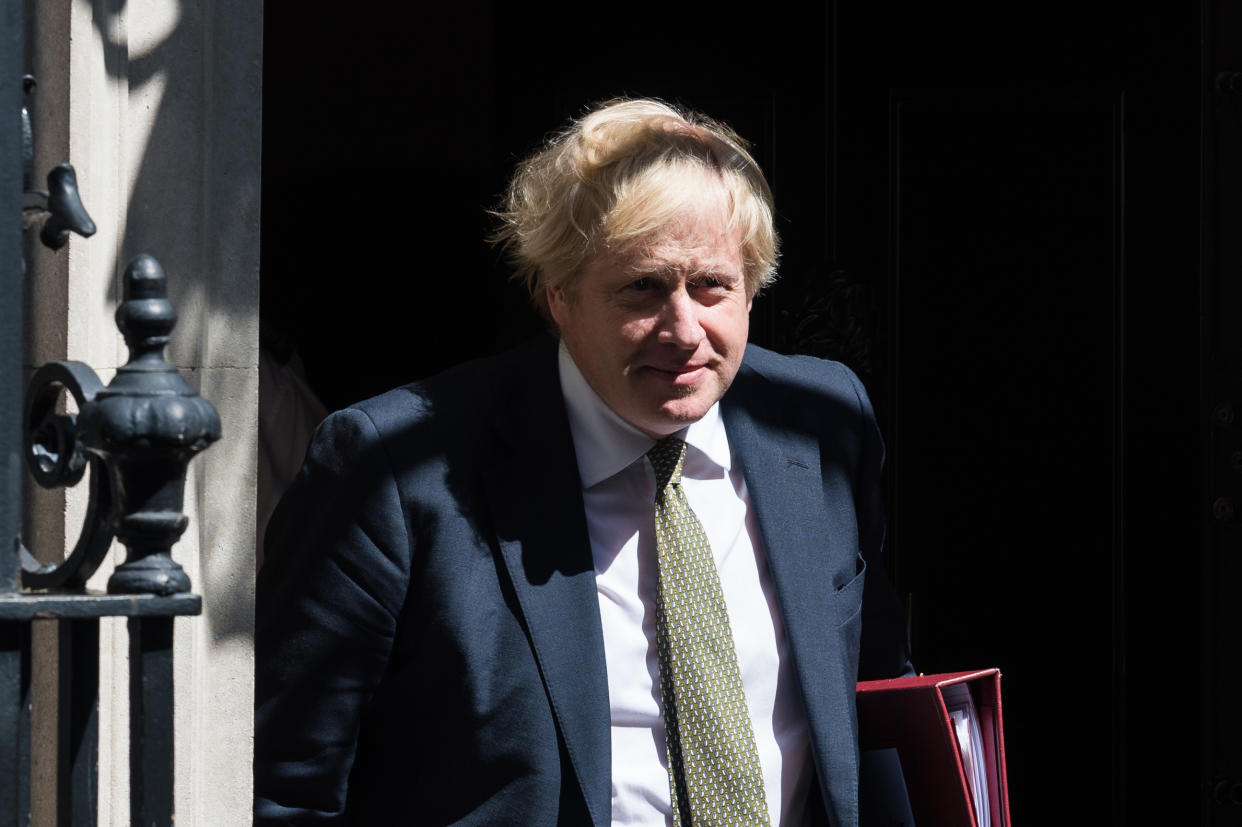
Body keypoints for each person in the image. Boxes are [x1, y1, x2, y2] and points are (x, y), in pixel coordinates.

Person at [254, 98, 911, 826]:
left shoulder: (823, 423)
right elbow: (289, 784)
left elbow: (877, 702)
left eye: (712, 286)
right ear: (557, 293)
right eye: (644, 287)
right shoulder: (392, 472)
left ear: (753, 284)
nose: (684, 329)